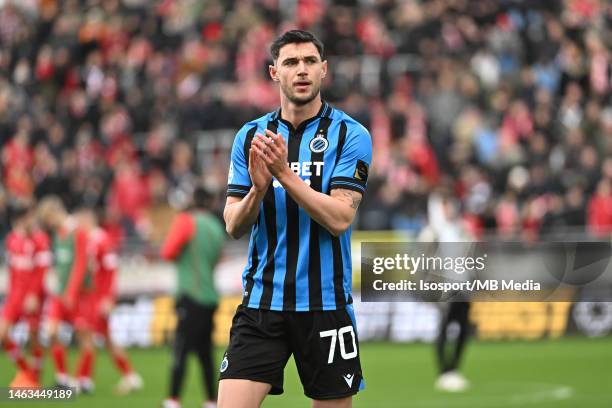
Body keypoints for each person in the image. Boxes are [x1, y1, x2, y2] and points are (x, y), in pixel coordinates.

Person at [219, 30, 372, 408]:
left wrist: (284, 175)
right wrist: (257, 189)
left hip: (326, 306)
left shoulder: (351, 134)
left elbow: (340, 219)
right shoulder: (251, 136)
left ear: (324, 70)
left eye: (309, 62)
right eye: (290, 62)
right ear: (274, 73)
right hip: (261, 304)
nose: (300, 70)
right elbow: (233, 225)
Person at [160, 187, 225, 408]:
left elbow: (167, 252)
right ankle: (210, 400)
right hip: (210, 296)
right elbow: (217, 258)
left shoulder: (186, 221)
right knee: (206, 353)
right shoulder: (217, 227)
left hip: (190, 294)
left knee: (181, 349)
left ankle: (173, 399)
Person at [73, 206, 143, 394]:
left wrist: (108, 298)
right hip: (92, 296)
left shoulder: (102, 240)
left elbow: (111, 271)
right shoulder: (88, 240)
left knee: (87, 333)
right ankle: (130, 376)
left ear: (88, 219)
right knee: (106, 338)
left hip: (99, 298)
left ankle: (83, 379)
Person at [37, 196, 92, 389]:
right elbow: (61, 264)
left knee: (84, 336)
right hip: (60, 293)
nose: (48, 224)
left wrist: (71, 291)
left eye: (48, 219)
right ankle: (62, 378)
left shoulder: (78, 232)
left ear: (55, 213)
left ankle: (82, 380)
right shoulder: (57, 234)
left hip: (78, 294)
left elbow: (81, 263)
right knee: (51, 333)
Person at [0, 203, 51, 387]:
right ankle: (26, 371)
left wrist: (33, 295)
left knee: (34, 337)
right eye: (27, 217)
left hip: (33, 296)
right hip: (14, 296)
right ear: (20, 220)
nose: (31, 221)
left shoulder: (40, 239)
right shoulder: (12, 239)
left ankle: (35, 379)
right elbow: (13, 271)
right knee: (3, 334)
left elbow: (41, 271)